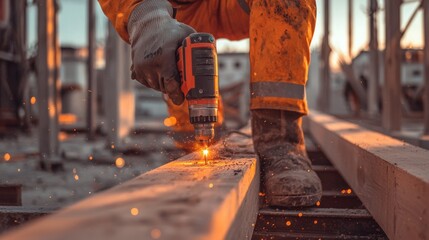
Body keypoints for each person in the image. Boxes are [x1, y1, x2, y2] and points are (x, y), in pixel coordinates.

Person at [98, 0, 321, 207]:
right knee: (185, 92)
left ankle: (279, 141)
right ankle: (195, 148)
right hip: (174, 8)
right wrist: (145, 14)